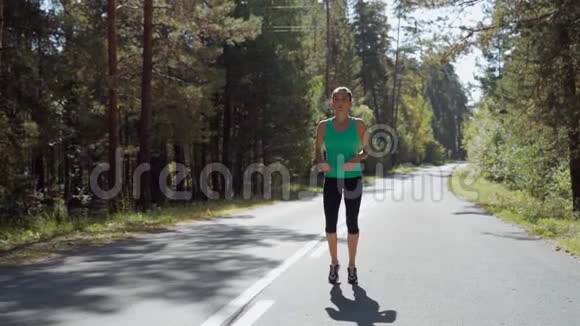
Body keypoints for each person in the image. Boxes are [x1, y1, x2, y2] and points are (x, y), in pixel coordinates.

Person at [314, 86, 369, 284]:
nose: (339, 102)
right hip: (332, 179)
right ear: (331, 103)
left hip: (353, 178)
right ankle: (334, 263)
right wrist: (322, 163)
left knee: (352, 222)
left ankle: (352, 265)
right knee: (330, 224)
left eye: (343, 99)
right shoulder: (323, 126)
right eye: (336, 99)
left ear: (350, 103)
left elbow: (366, 152)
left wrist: (354, 160)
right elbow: (317, 153)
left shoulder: (359, 125)